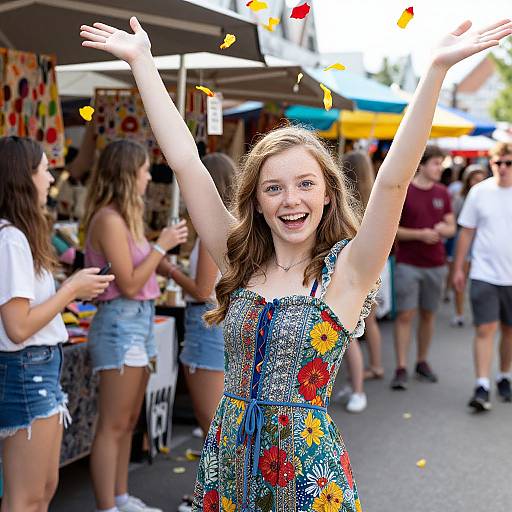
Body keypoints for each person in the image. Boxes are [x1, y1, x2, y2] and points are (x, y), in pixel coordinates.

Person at [80, 16, 511, 511]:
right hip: (229, 467)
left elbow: (393, 180)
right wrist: (143, 63)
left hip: (307, 479)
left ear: (328, 195)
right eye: (274, 187)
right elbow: (186, 162)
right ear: (257, 201)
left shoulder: (349, 271)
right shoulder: (237, 257)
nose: (291, 200)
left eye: (306, 184)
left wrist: (434, 70)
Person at [0, 136, 113, 512]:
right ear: (23, 177)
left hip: (36, 368)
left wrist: (72, 292)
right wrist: (70, 290)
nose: (51, 179)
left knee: (43, 489)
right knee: (28, 496)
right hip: (26, 369)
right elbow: (17, 327)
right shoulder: (12, 239)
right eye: (45, 169)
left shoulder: (19, 236)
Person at [82, 139, 188, 512]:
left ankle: (121, 497)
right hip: (120, 322)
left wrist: (161, 251)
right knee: (113, 424)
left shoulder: (125, 218)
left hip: (137, 321)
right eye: (143, 169)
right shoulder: (109, 219)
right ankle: (106, 506)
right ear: (129, 174)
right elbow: (127, 283)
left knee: (128, 421)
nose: (148, 176)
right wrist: (161, 247)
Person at [171, 153, 235, 512]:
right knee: (218, 424)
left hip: (207, 323)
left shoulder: (214, 230)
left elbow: (200, 288)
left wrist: (168, 269)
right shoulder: (236, 225)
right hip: (216, 323)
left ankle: (214, 497)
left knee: (212, 423)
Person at [390, 145, 457, 390]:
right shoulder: (405, 191)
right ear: (422, 165)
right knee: (406, 314)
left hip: (436, 264)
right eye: (436, 164)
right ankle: (400, 367)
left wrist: (442, 230)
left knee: (428, 315)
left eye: (441, 164)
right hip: (408, 262)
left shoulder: (443, 192)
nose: (440, 168)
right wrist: (420, 234)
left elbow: (452, 227)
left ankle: (421, 361)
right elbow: (392, 229)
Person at [454, 143, 512, 412]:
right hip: (484, 273)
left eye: (508, 163)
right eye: (498, 162)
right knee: (485, 328)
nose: (503, 168)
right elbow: (466, 232)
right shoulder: (479, 192)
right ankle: (481, 385)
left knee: (509, 331)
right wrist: (458, 269)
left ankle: (503, 376)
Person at [342, 151, 384, 382]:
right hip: (377, 266)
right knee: (371, 320)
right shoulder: (375, 198)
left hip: (354, 267)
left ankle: (356, 384)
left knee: (350, 330)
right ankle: (377, 365)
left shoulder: (347, 202)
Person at [449, 164, 487, 327]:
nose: (477, 183)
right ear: (468, 181)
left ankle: (483, 314)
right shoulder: (460, 198)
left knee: (482, 282)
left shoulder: (490, 196)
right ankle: (459, 313)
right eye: (474, 179)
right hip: (464, 242)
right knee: (460, 279)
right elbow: (455, 222)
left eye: (481, 179)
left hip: (483, 242)